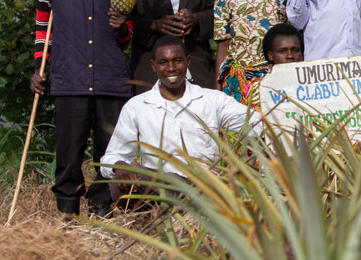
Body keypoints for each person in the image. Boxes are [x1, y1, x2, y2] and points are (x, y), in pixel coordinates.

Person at [30, 0, 134, 216]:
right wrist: (39, 67)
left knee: (108, 154)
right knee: (68, 152)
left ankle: (103, 210)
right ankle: (67, 214)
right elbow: (42, 27)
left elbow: (127, 39)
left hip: (110, 79)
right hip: (68, 77)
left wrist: (122, 26)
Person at [100, 36, 262, 195]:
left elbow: (257, 124)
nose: (171, 68)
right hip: (158, 187)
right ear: (153, 66)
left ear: (188, 61)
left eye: (177, 60)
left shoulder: (211, 100)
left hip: (204, 187)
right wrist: (120, 167)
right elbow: (112, 156)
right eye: (163, 62)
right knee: (122, 182)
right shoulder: (137, 106)